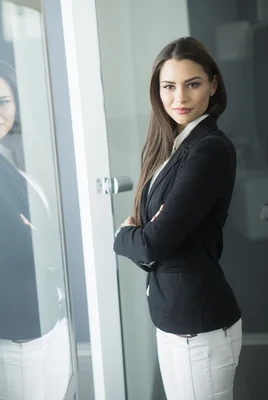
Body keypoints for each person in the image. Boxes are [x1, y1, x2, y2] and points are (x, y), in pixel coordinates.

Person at [113, 37, 242, 400]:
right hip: (176, 318)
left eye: (193, 84)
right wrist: (147, 236)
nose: (180, 98)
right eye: (169, 86)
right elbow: (155, 236)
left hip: (197, 326)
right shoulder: (174, 146)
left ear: (213, 84)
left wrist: (125, 236)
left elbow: (153, 240)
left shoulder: (210, 149)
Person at [0, 60, 70, 399]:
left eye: (2, 102)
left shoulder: (16, 158)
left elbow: (53, 229)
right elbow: (9, 247)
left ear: (17, 104)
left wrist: (38, 234)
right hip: (16, 325)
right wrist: (41, 239)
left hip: (51, 313)